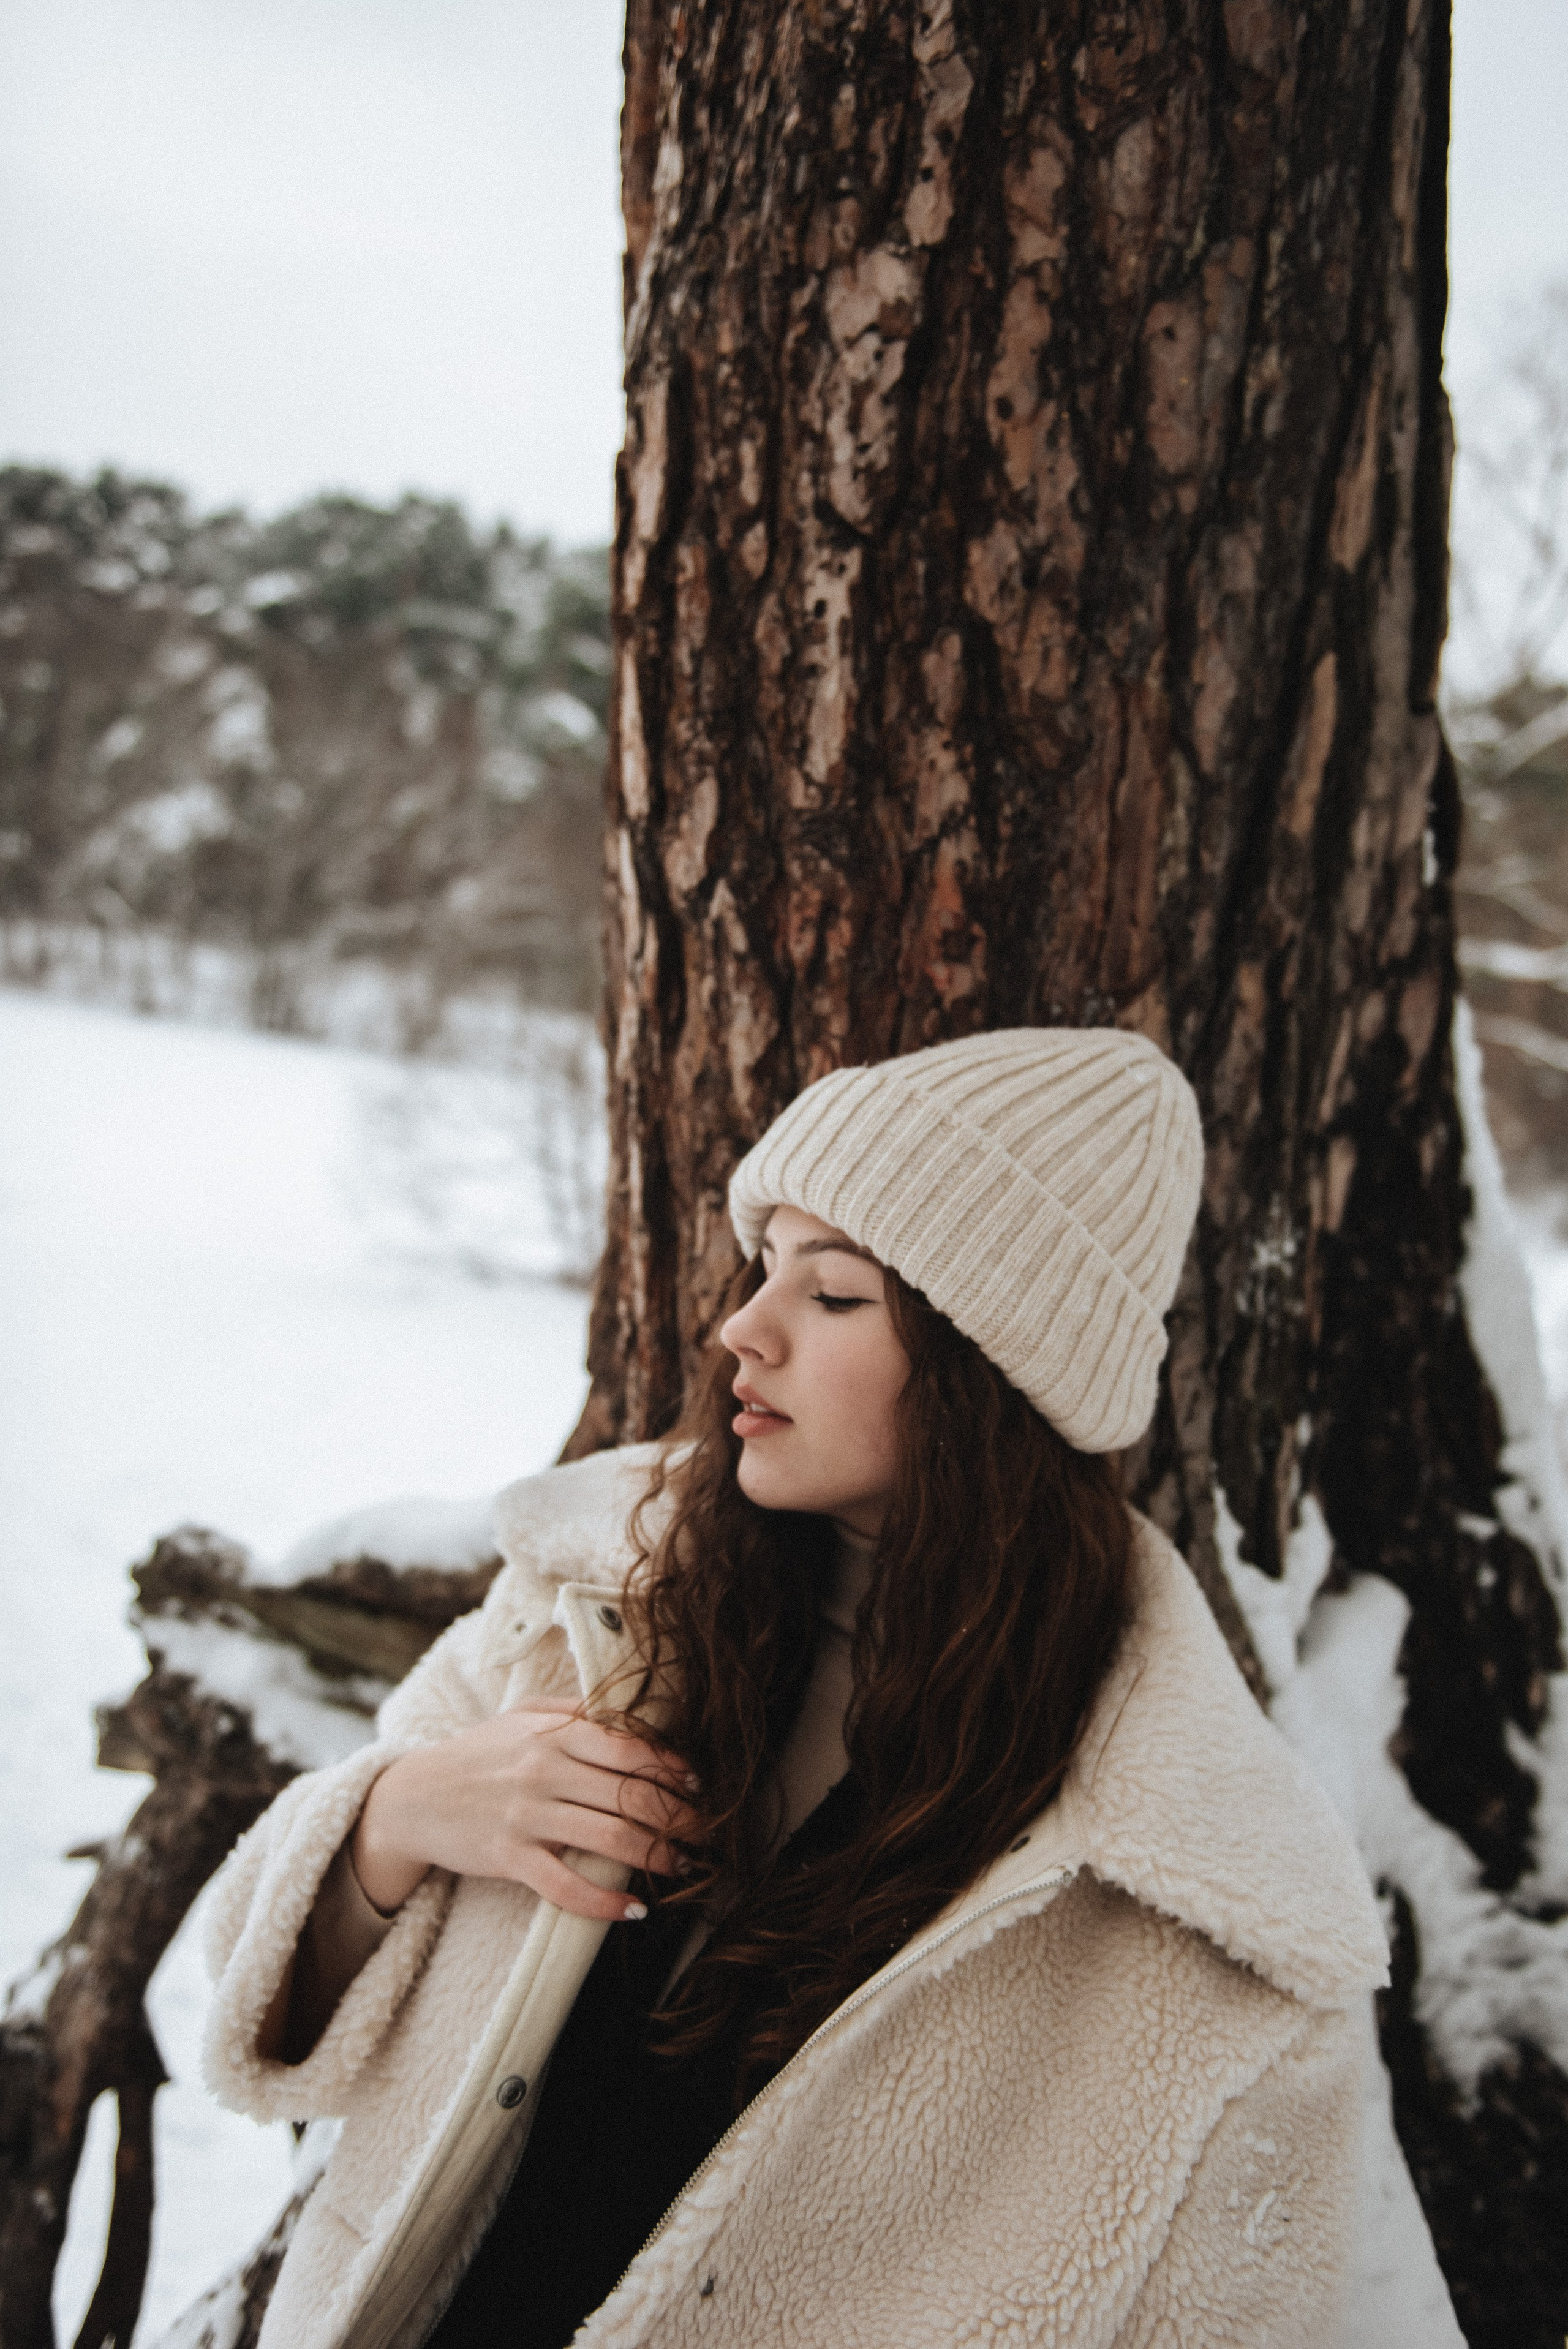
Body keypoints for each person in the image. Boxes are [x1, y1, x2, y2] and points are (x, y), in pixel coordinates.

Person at [203, 1027, 1387, 2349]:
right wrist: (396, 1818)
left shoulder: (1198, 1907)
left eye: (832, 1296)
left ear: (987, 1367)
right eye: (762, 1268)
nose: (737, 1329)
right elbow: (254, 1997)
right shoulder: (595, 1607)